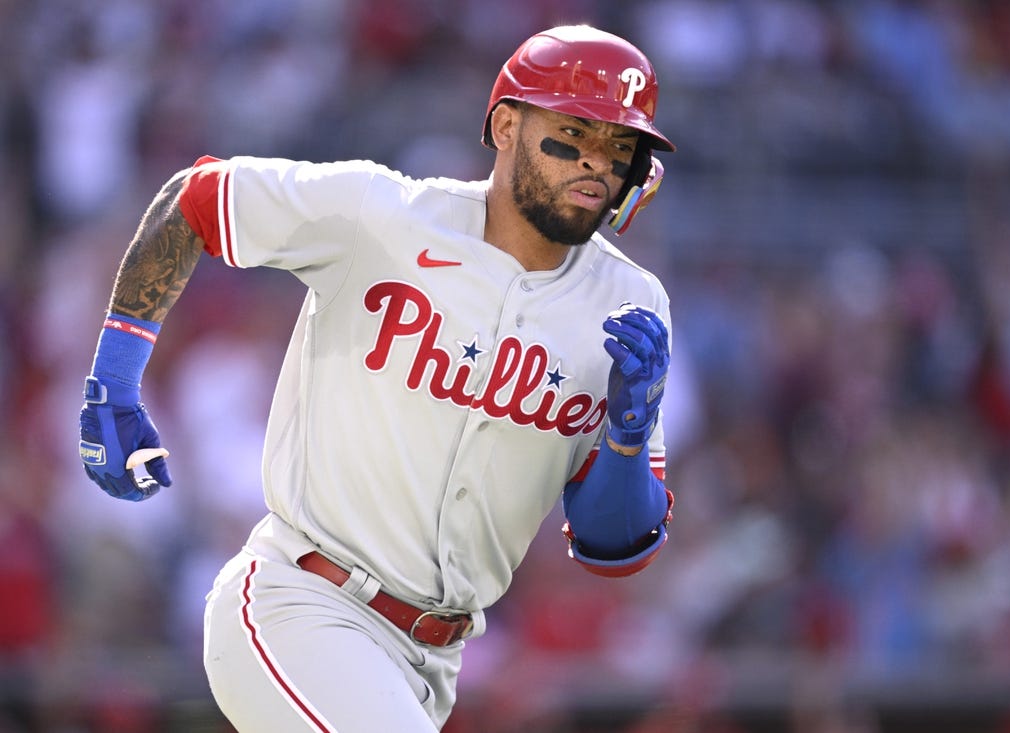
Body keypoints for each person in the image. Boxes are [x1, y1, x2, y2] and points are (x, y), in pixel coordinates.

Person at [78, 24, 676, 732]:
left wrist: (628, 438)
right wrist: (113, 382)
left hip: (433, 662)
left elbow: (612, 546)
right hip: (301, 602)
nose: (595, 163)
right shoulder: (385, 215)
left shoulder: (630, 304)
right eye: (574, 131)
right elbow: (197, 199)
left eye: (619, 145)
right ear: (507, 126)